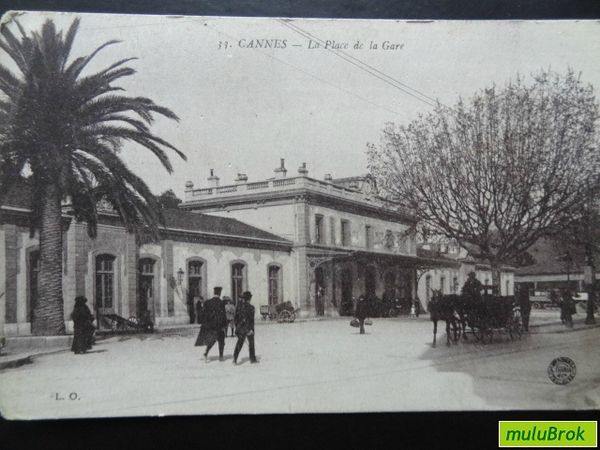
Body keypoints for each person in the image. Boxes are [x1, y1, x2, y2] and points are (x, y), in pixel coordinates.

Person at [199, 286, 227, 362]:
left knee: (211, 340)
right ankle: (221, 357)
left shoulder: (208, 302)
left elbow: (204, 314)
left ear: (214, 293)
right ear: (220, 293)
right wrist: (224, 325)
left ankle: (205, 354)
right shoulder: (221, 303)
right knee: (221, 341)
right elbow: (223, 315)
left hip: (211, 326)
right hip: (219, 326)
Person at [233, 291, 258, 364]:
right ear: (249, 298)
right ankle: (252, 359)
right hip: (248, 328)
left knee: (239, 344)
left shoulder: (239, 307)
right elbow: (251, 321)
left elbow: (236, 319)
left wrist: (237, 327)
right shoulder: (251, 307)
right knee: (251, 343)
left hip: (241, 328)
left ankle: (234, 359)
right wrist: (252, 330)